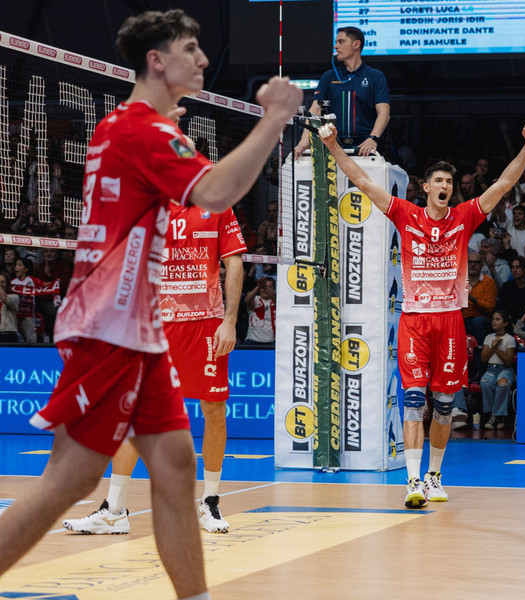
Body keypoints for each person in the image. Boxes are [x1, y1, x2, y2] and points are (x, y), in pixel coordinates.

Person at [0, 10, 303, 599]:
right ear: (157, 61)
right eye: (191, 49)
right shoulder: (145, 131)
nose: (204, 59)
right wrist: (273, 121)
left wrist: (168, 124)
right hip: (112, 325)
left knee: (174, 465)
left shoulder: (125, 125)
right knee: (72, 480)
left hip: (140, 330)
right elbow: (215, 191)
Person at [318, 119, 525, 508]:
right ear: (426, 187)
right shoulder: (405, 214)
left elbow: (503, 185)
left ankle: (435, 476)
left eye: (449, 184)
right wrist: (335, 147)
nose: (445, 188)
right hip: (415, 320)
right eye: (439, 181)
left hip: (451, 321)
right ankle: (413, 481)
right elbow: (363, 182)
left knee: (442, 406)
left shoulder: (464, 216)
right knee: (413, 400)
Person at [61, 201, 246, 535]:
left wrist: (230, 322)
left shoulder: (218, 205)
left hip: (204, 323)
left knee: (214, 411)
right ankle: (115, 510)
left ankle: (210, 502)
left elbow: (233, 262)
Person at [293, 26, 389, 157]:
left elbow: (384, 113)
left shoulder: (375, 76)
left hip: (365, 147)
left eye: (341, 42)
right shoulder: (329, 76)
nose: (336, 46)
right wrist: (304, 141)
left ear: (356, 44)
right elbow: (315, 110)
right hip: (334, 146)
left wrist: (373, 139)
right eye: (336, 42)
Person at [480, 310, 517, 430]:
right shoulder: (489, 337)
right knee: (485, 383)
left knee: (503, 384)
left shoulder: (509, 339)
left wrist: (496, 348)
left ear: (505, 323)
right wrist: (493, 345)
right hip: (491, 368)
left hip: (504, 369)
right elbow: (484, 358)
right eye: (493, 319)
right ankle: (495, 415)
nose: (494, 322)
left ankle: (496, 416)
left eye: (497, 319)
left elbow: (508, 361)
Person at [461, 248, 496, 344]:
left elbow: (489, 308)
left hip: (483, 320)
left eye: (476, 262)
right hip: (464, 318)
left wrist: (474, 300)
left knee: (477, 321)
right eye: (470, 262)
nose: (472, 265)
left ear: (481, 265)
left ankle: (481, 351)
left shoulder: (488, 282)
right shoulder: (459, 280)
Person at [244, 276, 276, 344]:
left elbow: (276, 299)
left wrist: (264, 287)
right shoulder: (255, 299)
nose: (264, 289)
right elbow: (247, 300)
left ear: (274, 289)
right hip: (252, 341)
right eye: (263, 287)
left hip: (271, 342)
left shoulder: (276, 301)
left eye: (268, 287)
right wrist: (258, 286)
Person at [0, 272, 20, 343]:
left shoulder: (14, 297)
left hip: (7, 334)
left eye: (3, 282)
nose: (1, 284)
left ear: (8, 284)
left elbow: (5, 299)